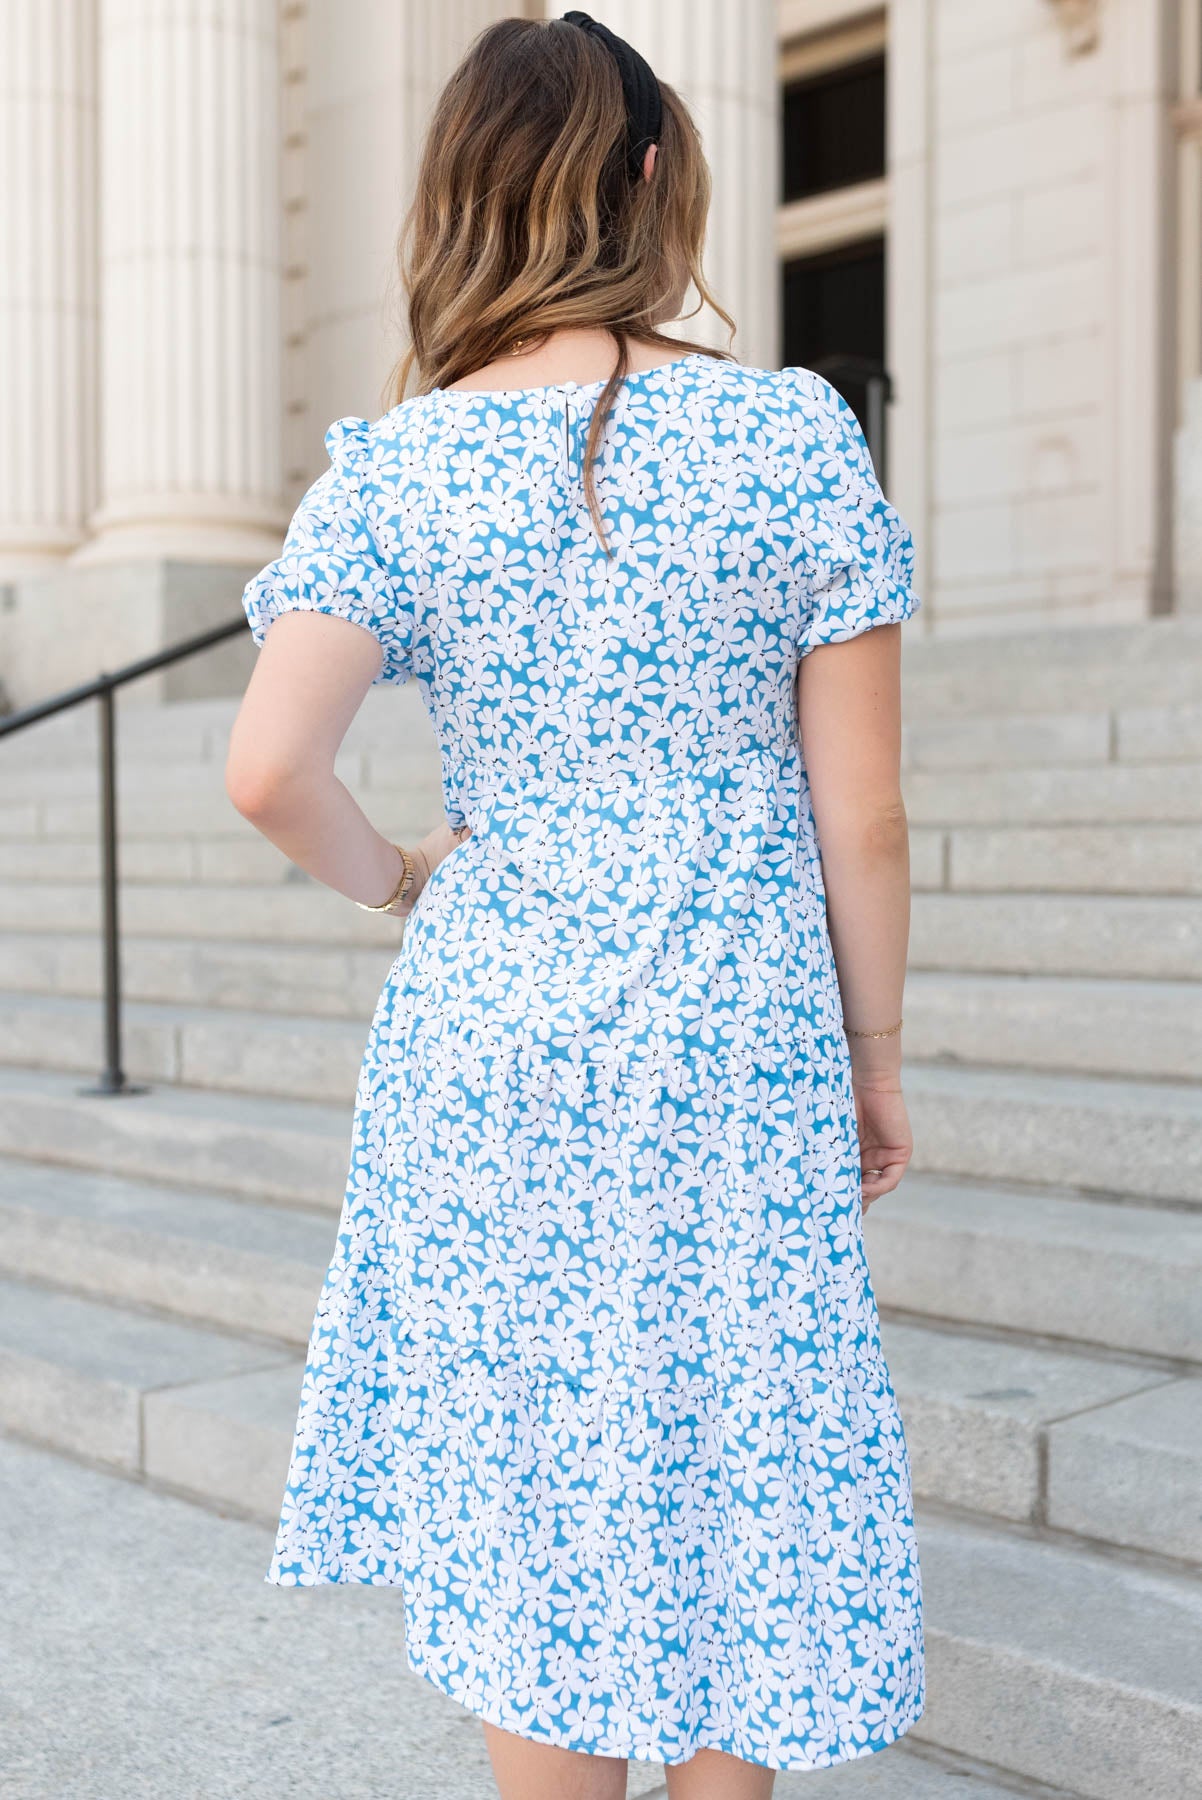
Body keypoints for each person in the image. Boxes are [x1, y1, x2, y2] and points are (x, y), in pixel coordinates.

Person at [225, 12, 924, 1798]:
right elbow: (865, 816)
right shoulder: (785, 438)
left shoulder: (396, 465)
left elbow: (267, 770)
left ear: (466, 190)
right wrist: (874, 1055)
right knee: (726, 1478)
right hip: (733, 1020)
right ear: (649, 179)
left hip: (491, 1030)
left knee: (545, 1505)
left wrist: (400, 877)